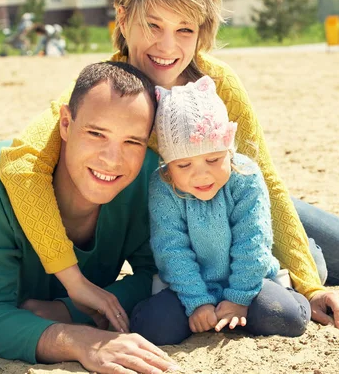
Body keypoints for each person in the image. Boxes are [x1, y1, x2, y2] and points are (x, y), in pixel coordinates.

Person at [0, 0, 339, 333]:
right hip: (176, 225)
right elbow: (20, 163)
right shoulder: (107, 91)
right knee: (301, 267)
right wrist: (73, 281)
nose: (168, 47)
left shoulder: (219, 85)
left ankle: (301, 260)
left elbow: (263, 178)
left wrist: (312, 288)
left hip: (238, 201)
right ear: (123, 16)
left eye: (185, 29)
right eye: (153, 25)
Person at [0, 61, 179, 374]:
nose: (112, 159)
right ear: (65, 123)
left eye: (132, 141)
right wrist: (76, 339)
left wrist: (65, 311)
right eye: (96, 134)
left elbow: (157, 273)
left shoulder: (146, 176)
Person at [130, 76, 311, 345]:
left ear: (229, 150)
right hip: (189, 285)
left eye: (213, 159)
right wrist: (197, 302)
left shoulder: (246, 175)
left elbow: (253, 241)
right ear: (168, 165)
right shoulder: (163, 184)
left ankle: (302, 275)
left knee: (285, 317)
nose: (201, 175)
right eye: (183, 165)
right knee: (153, 328)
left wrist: (238, 298)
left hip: (250, 281)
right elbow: (171, 248)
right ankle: (207, 309)